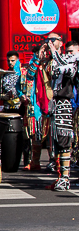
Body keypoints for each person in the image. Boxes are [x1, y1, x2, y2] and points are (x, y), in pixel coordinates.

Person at [29, 37, 79, 191]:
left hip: (63, 103)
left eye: (54, 39)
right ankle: (60, 176)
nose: (50, 42)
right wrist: (39, 56)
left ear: (60, 43)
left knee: (64, 140)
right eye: (48, 40)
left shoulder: (69, 58)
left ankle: (65, 178)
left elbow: (65, 68)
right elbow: (30, 75)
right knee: (55, 143)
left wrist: (53, 51)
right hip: (52, 104)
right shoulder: (47, 60)